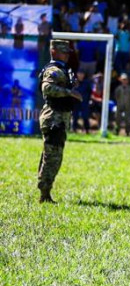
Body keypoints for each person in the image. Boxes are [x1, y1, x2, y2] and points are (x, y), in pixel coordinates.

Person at [37, 40, 82, 203]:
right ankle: (44, 194)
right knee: (52, 157)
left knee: (54, 155)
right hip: (53, 118)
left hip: (59, 117)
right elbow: (47, 88)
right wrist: (70, 92)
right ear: (54, 51)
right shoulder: (54, 70)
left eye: (68, 52)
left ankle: (45, 190)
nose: (67, 55)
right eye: (64, 51)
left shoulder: (63, 69)